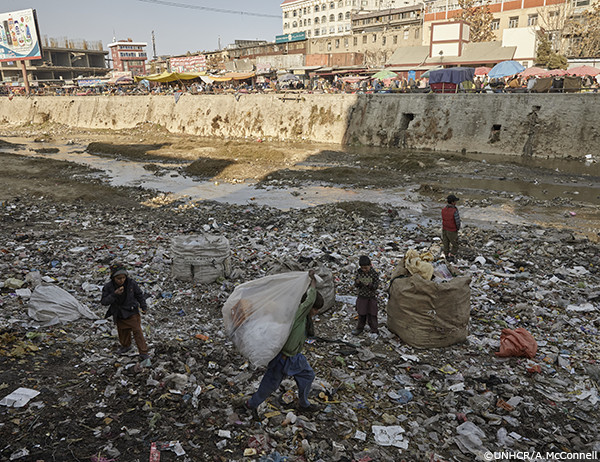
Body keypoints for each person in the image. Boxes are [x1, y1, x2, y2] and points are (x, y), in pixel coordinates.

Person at [245, 271, 324, 415]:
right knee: (269, 385)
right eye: (315, 309)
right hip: (283, 358)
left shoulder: (304, 318)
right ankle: (251, 404)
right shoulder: (298, 314)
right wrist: (313, 282)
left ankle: (304, 403)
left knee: (308, 375)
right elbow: (309, 300)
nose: (316, 312)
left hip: (295, 357)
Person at [101, 263, 150, 360]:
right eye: (118, 278)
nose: (121, 280)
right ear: (113, 277)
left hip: (131, 311)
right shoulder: (109, 287)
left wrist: (143, 306)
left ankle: (143, 352)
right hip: (119, 312)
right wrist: (114, 294)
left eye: (123, 277)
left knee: (137, 331)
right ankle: (126, 346)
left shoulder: (131, 284)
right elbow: (104, 302)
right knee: (123, 331)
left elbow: (139, 295)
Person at [352, 255, 380, 335]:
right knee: (361, 314)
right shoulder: (359, 272)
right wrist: (357, 283)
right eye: (362, 268)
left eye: (366, 268)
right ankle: (360, 328)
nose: (364, 270)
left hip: (371, 297)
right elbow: (356, 285)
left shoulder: (374, 273)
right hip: (362, 296)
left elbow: (376, 286)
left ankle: (374, 330)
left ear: (370, 265)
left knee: (372, 314)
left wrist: (369, 285)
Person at [442, 194, 461, 261]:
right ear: (453, 202)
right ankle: (452, 256)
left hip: (444, 229)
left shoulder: (444, 209)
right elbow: (457, 221)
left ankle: (446, 256)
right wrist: (458, 228)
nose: (456, 202)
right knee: (455, 244)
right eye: (455, 201)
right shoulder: (454, 210)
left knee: (446, 243)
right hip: (452, 230)